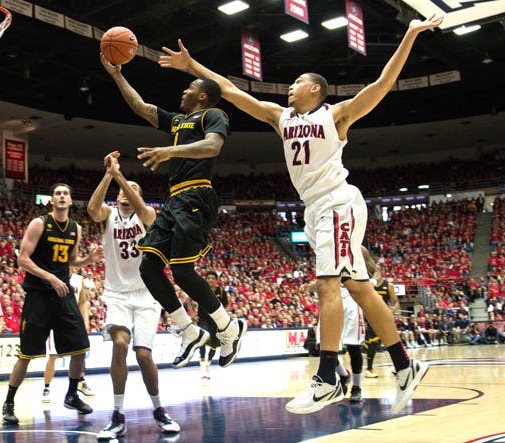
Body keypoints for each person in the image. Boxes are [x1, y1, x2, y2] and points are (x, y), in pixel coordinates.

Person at [159, 14, 443, 414]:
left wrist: (411, 34)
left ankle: (327, 377)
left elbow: (382, 84)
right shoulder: (281, 118)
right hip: (316, 211)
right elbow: (229, 90)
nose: (289, 88)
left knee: (328, 285)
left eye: (295, 84)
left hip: (338, 202)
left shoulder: (337, 115)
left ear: (315, 89)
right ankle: (405, 365)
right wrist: (193, 68)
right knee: (359, 289)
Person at [101, 56, 246, 370]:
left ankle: (228, 327)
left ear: (203, 95)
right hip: (174, 200)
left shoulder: (213, 114)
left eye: (190, 86)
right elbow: (141, 106)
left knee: (181, 270)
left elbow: (212, 147)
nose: (184, 91)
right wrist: (117, 76)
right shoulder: (178, 121)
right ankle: (188, 329)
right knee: (149, 266)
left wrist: (170, 151)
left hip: (197, 193)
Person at [87, 151, 180, 440]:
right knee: (119, 345)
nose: (127, 193)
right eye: (123, 191)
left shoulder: (147, 215)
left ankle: (158, 409)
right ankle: (117, 415)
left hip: (145, 295)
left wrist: (120, 177)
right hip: (116, 294)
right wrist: (108, 174)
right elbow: (92, 209)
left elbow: (140, 206)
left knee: (143, 355)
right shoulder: (109, 215)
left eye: (133, 189)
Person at [1, 183, 103, 425]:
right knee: (26, 355)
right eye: (57, 193)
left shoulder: (75, 228)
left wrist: (88, 259)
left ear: (70, 200)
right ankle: (9, 402)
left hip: (62, 295)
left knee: (80, 347)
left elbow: (71, 261)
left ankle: (71, 394)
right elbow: (22, 259)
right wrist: (50, 277)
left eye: (65, 193)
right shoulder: (39, 224)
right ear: (51, 200)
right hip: (38, 295)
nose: (61, 197)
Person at [42, 268, 93, 403]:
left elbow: (83, 302)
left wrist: (85, 322)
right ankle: (46, 388)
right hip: (56, 318)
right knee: (53, 356)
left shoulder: (79, 279)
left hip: (74, 319)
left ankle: (80, 382)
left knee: (80, 352)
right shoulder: (53, 275)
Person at [311, 280, 365, 403]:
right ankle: (343, 375)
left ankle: (356, 387)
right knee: (322, 346)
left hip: (350, 298)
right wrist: (311, 286)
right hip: (329, 299)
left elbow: (374, 270)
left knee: (353, 346)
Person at [363, 259, 400, 378]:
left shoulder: (388, 285)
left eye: (379, 269)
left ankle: (399, 367)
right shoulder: (368, 285)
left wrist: (392, 310)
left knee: (393, 342)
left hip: (384, 317)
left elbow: (396, 303)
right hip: (371, 317)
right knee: (372, 344)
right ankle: (369, 368)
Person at [196, 271, 229, 379]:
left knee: (214, 345)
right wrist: (192, 313)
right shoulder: (201, 290)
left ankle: (207, 367)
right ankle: (202, 365)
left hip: (216, 321)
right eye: (208, 278)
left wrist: (223, 317)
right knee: (203, 338)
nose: (210, 280)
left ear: (216, 280)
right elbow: (189, 300)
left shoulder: (221, 291)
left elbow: (226, 305)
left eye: (212, 278)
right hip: (203, 319)